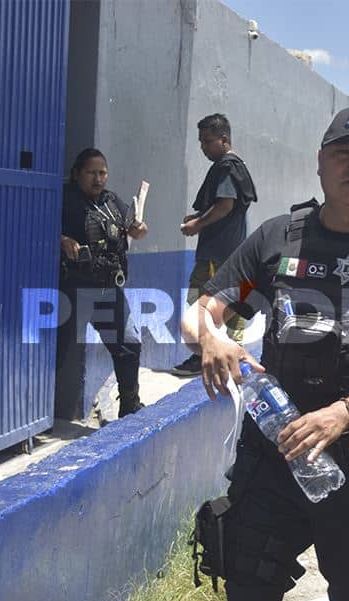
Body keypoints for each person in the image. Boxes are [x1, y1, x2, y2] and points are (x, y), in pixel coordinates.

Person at [181, 105, 349, 601]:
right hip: (273, 463)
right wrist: (211, 337)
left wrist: (343, 414)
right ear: (321, 162)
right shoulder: (279, 245)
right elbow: (210, 308)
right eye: (343, 153)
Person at [54, 148, 150, 422]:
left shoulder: (111, 200)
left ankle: (130, 405)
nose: (98, 178)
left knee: (129, 344)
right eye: (92, 173)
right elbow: (36, 226)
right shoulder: (65, 199)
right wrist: (62, 240)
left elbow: (134, 226)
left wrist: (138, 230)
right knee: (58, 350)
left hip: (108, 288)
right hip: (73, 289)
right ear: (76, 174)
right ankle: (39, 414)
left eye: (103, 172)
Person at [172, 113, 258, 376]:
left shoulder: (226, 166)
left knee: (199, 304)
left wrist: (197, 225)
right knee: (233, 307)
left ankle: (204, 358)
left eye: (207, 141)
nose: (203, 147)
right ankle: (234, 358)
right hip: (234, 253)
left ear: (224, 139)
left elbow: (225, 205)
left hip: (218, 255)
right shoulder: (237, 165)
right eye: (200, 141)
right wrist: (197, 217)